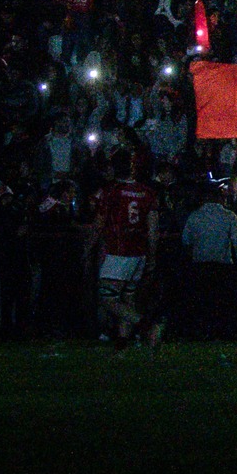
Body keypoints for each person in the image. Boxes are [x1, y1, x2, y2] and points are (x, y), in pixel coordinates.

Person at [90, 149, 158, 350]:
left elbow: (99, 223)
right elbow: (153, 229)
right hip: (139, 251)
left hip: (118, 251)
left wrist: (89, 246)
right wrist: (152, 255)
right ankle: (122, 343)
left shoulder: (111, 191)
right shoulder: (147, 192)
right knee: (128, 296)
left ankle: (147, 326)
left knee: (107, 297)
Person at [179, 179, 237, 340]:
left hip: (200, 264)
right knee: (223, 302)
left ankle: (203, 331)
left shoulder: (195, 216)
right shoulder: (229, 216)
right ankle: (225, 331)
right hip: (223, 265)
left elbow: (186, 242)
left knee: (202, 301)